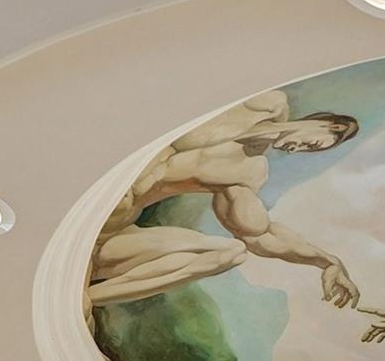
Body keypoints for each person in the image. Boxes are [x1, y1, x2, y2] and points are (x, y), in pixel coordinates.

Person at [87, 91, 361, 308]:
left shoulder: (248, 171)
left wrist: (327, 261)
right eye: (311, 144)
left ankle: (87, 301)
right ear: (325, 123)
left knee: (231, 252)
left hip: (108, 230)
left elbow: (260, 236)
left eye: (307, 152)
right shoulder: (262, 104)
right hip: (98, 171)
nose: (296, 150)